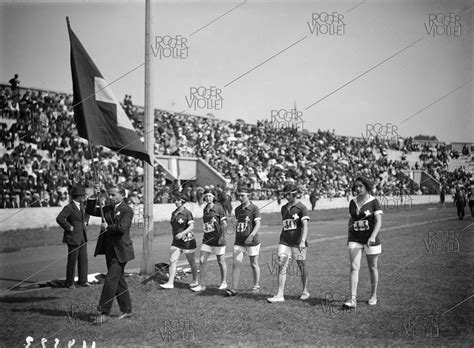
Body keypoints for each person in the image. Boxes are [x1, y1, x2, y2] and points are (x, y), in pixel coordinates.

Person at [86, 185, 135, 324]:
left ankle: (104, 312)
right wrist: (94, 196)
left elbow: (122, 227)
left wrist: (108, 227)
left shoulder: (127, 210)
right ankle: (127, 310)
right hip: (109, 250)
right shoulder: (107, 207)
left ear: (122, 195)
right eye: (110, 195)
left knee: (110, 280)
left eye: (114, 195)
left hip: (121, 251)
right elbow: (90, 210)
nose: (111, 197)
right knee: (119, 280)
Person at [267, 183, 309, 303]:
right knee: (281, 264)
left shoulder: (302, 208)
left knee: (301, 265)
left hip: (298, 242)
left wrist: (302, 241)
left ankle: (305, 291)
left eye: (288, 194)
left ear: (294, 193)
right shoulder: (283, 208)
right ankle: (280, 294)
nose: (286, 196)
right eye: (285, 194)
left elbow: (305, 225)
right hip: (284, 241)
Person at [344, 177, 382, 308]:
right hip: (355, 238)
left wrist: (372, 236)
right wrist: (349, 232)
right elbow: (351, 220)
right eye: (356, 186)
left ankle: (373, 295)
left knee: (372, 267)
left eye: (360, 186)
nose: (358, 189)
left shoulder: (374, 202)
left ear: (366, 187)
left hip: (371, 239)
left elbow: (379, 221)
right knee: (354, 267)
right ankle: (352, 299)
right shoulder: (352, 202)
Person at [225, 187, 261, 297]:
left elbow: (258, 225)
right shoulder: (237, 209)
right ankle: (234, 289)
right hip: (239, 241)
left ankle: (256, 285)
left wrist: (251, 236)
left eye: (243, 195)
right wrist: (230, 221)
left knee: (254, 264)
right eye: (239, 195)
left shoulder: (254, 208)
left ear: (248, 196)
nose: (240, 197)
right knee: (236, 263)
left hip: (252, 241)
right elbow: (236, 224)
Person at [191, 189, 228, 292]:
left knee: (220, 261)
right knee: (202, 260)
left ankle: (224, 282)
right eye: (206, 196)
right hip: (207, 239)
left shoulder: (219, 209)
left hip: (218, 239)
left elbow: (225, 224)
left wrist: (217, 225)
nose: (208, 198)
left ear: (214, 197)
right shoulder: (205, 208)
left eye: (210, 196)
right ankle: (202, 285)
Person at [160, 194, 198, 289]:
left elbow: (192, 226)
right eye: (175, 200)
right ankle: (170, 283)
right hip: (176, 242)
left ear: (183, 201)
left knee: (191, 261)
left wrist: (182, 233)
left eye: (178, 200)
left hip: (188, 242)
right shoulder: (174, 212)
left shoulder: (187, 213)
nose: (175, 201)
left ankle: (195, 280)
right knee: (172, 261)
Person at [56, 185, 90, 289]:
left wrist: (86, 222)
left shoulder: (82, 206)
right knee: (72, 261)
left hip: (82, 237)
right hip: (73, 237)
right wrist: (69, 227)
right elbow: (60, 218)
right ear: (78, 196)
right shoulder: (69, 207)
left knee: (83, 259)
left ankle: (83, 280)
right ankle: (69, 282)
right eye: (83, 195)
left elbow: (87, 214)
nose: (84, 197)